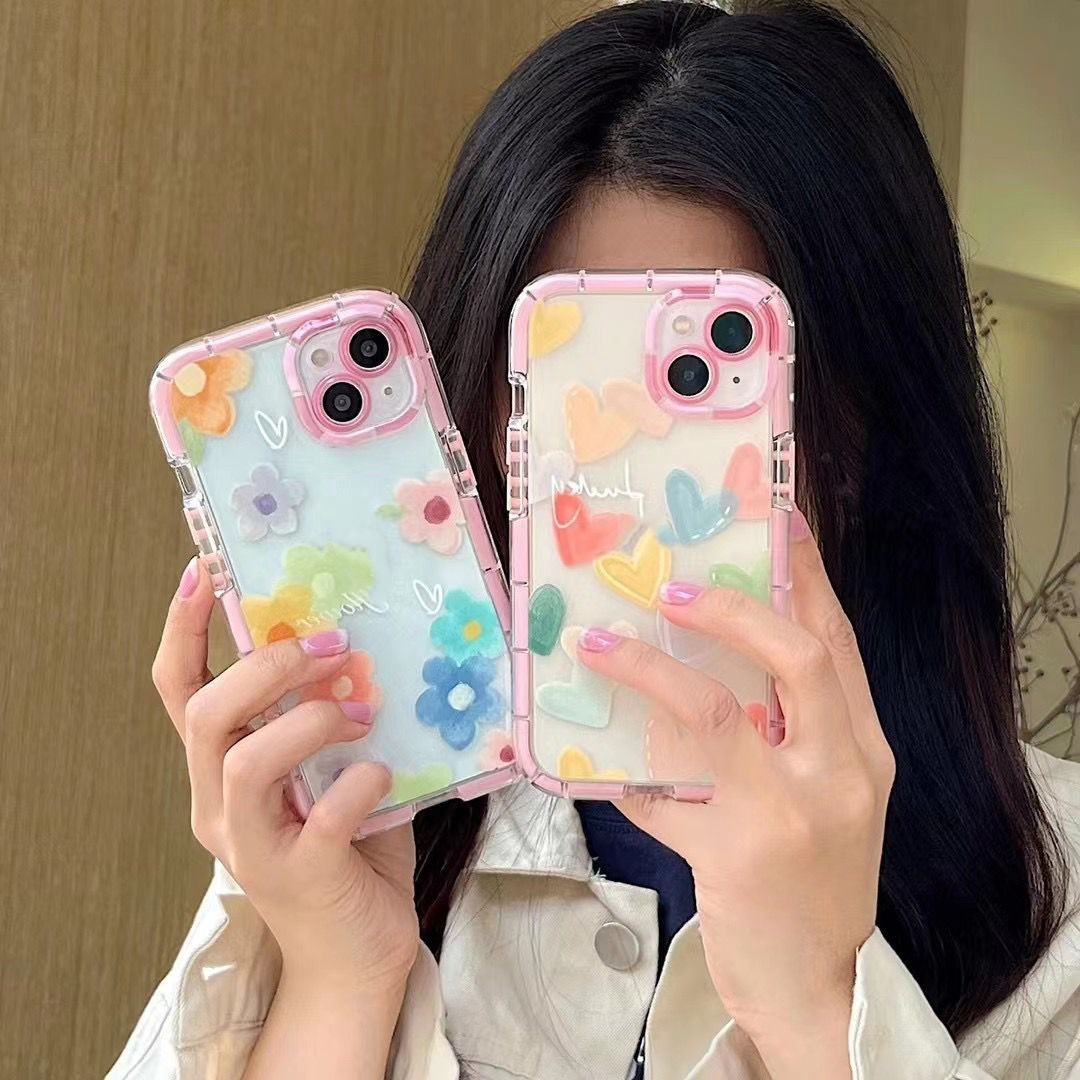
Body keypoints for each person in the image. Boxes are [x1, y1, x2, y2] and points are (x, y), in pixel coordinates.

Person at [108, 3, 1080, 1078]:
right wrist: (336, 977)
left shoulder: (1060, 898)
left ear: (862, 424)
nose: (616, 456)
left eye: (697, 390)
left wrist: (816, 1005)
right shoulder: (364, 808)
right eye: (558, 369)